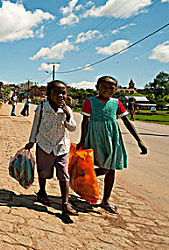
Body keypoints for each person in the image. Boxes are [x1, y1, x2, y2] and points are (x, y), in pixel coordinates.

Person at [77, 76, 148, 214]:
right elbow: (85, 122)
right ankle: (82, 180)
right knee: (101, 168)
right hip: (94, 137)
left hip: (112, 138)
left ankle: (106, 200)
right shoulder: (89, 102)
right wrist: (82, 140)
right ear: (97, 87)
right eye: (104, 87)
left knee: (112, 168)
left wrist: (139, 140)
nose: (107, 90)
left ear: (115, 89)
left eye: (111, 88)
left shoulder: (116, 103)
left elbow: (127, 121)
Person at [25, 80, 78, 216]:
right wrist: (32, 141)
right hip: (44, 144)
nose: (60, 96)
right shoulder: (42, 108)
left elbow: (72, 128)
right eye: (56, 93)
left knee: (63, 173)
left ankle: (65, 203)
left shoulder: (67, 110)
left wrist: (67, 114)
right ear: (49, 94)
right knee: (43, 171)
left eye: (63, 93)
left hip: (62, 146)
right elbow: (35, 125)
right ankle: (42, 192)